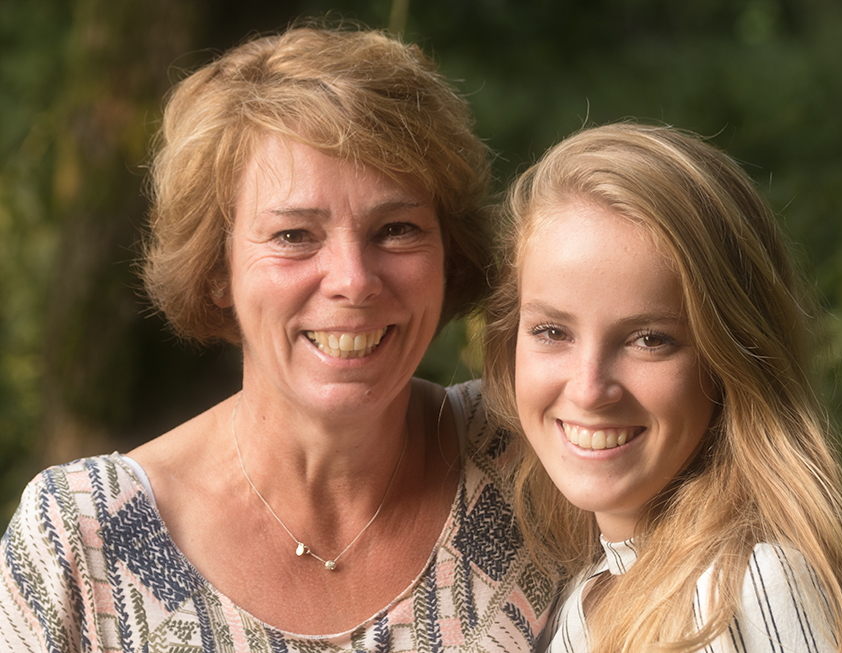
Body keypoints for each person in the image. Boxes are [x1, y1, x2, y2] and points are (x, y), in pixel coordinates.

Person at [0, 25, 556, 652]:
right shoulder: (82, 544)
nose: (353, 281)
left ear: (449, 254)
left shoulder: (542, 465)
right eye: (294, 235)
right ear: (217, 271)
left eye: (396, 229)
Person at [483, 123, 842, 653]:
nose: (590, 388)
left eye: (650, 339)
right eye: (553, 332)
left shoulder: (753, 585)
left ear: (732, 358)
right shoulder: (586, 603)